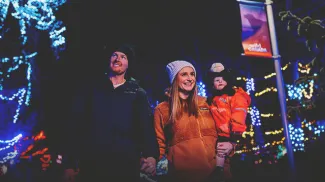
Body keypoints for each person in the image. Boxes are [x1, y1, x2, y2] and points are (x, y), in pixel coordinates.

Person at [62, 44, 159, 182]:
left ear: (128, 64)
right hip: (92, 166)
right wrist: (69, 164)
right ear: (108, 60)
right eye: (114, 55)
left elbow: (146, 128)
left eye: (123, 57)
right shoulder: (90, 90)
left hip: (126, 167)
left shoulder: (137, 93)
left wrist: (151, 156)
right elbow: (75, 126)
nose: (118, 59)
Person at [153, 60, 218, 182]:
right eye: (184, 74)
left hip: (218, 174)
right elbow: (159, 145)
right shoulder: (162, 109)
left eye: (192, 74)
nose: (190, 78)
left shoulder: (207, 103)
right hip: (184, 177)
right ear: (174, 79)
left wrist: (231, 145)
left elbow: (223, 133)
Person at [206, 62, 251, 182]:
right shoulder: (212, 100)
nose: (220, 81)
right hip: (218, 134)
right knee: (220, 152)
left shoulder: (235, 96)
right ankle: (219, 169)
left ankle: (220, 170)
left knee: (223, 152)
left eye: (223, 79)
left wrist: (236, 132)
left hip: (230, 132)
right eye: (217, 80)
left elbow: (239, 113)